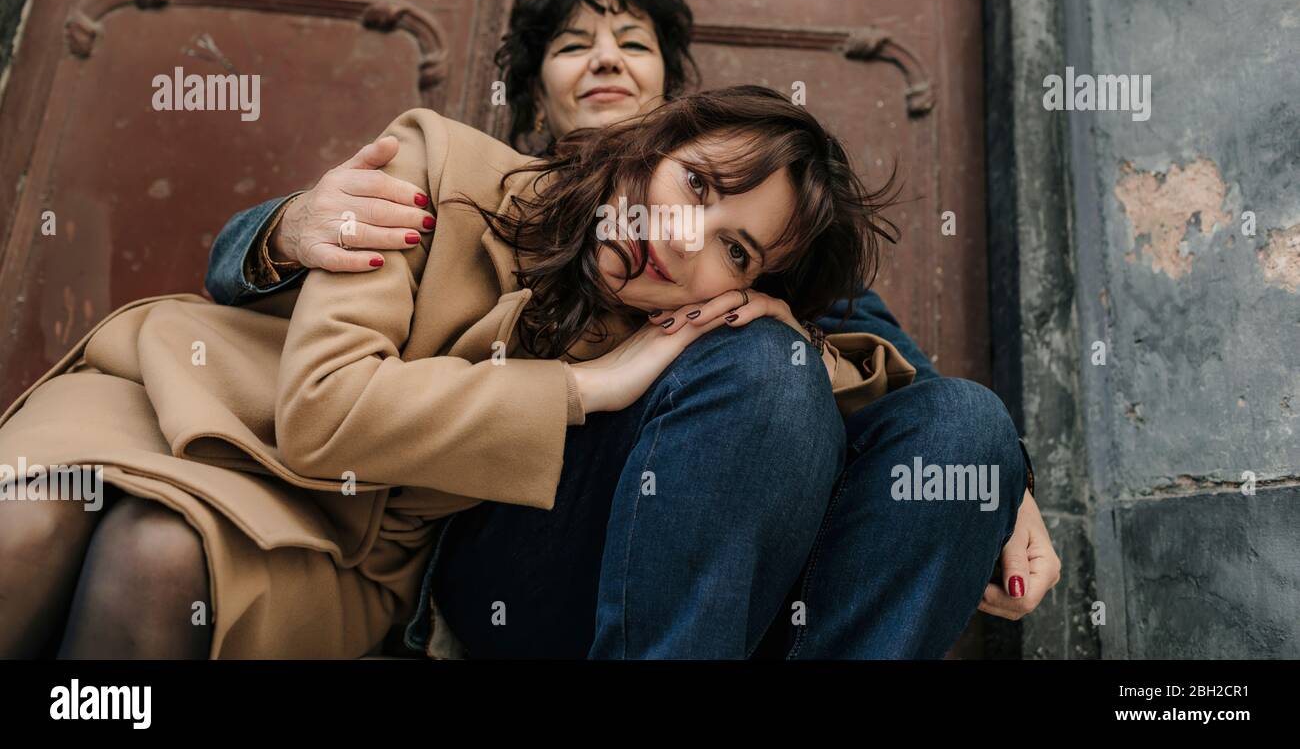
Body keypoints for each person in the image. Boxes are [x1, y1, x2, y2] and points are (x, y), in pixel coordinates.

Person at [204, 0, 1059, 658]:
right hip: (529, 548)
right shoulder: (460, 182)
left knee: (956, 421)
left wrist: (1003, 477)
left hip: (743, 562)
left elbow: (913, 391)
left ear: (674, 103)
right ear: (537, 94)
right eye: (574, 46)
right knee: (761, 364)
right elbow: (291, 293)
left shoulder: (764, 250)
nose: (605, 58)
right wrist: (285, 227)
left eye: (632, 44)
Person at [0, 87, 928, 659]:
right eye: (696, 185)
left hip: (344, 546)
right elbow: (323, 414)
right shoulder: (437, 162)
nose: (684, 243)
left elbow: (851, 407)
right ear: (653, 141)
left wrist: (1001, 489)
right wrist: (576, 390)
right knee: (29, 521)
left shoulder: (685, 333)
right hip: (193, 407)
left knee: (155, 557)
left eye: (737, 252)